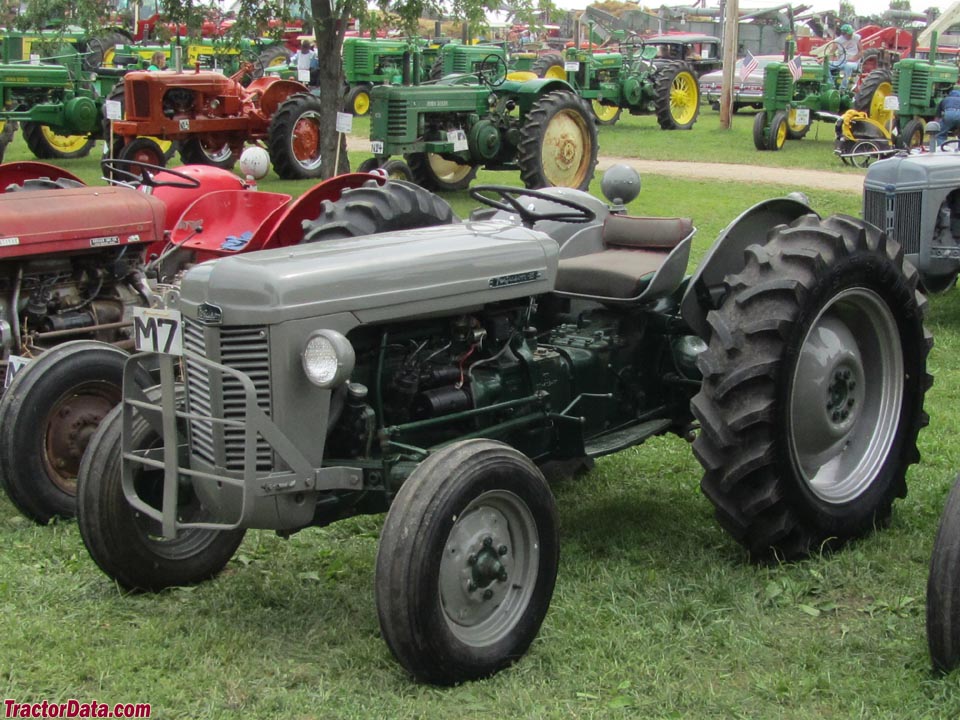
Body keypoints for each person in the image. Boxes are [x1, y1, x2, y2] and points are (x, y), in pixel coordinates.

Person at [835, 23, 862, 89]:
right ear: (843, 34)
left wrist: (854, 58)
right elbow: (831, 53)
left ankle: (843, 88)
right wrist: (823, 60)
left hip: (853, 63)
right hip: (841, 61)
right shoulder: (838, 41)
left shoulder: (856, 38)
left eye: (851, 33)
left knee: (848, 66)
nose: (851, 35)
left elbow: (861, 51)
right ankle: (830, 85)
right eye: (849, 34)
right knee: (827, 65)